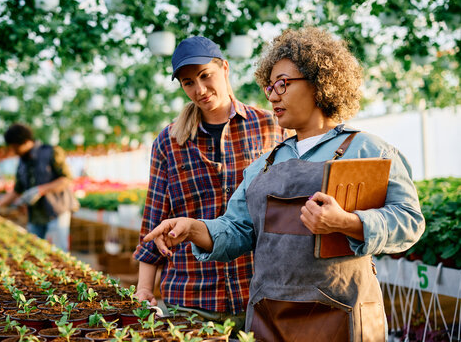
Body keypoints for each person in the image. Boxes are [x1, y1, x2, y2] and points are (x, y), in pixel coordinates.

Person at [143, 27, 425, 341]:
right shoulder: (264, 164)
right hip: (271, 319)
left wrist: (348, 223)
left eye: (283, 84)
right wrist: (194, 228)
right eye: (270, 86)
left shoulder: (370, 150)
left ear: (320, 82)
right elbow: (238, 229)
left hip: (342, 317)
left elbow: (409, 221)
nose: (273, 95)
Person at [133, 36, 283, 331]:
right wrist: (144, 289)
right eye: (188, 83)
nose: (199, 90)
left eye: (205, 76)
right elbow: (154, 219)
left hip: (259, 294)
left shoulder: (270, 127)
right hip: (192, 297)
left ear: (224, 68)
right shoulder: (169, 142)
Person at [0, 123, 77, 252]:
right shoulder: (22, 162)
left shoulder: (51, 152)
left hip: (56, 211)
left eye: (14, 147)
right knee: (34, 251)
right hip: (35, 215)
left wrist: (41, 190)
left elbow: (66, 180)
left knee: (58, 251)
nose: (13, 151)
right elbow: (17, 190)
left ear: (23, 142)